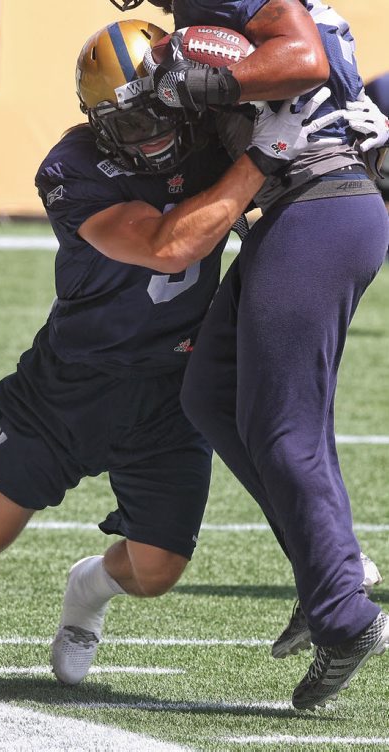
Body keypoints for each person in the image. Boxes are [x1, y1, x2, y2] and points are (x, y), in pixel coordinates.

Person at [0, 18, 350, 688]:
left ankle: (87, 592)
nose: (147, 132)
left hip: (171, 393)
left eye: (154, 112)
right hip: (70, 384)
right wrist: (261, 158)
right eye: (125, 121)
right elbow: (167, 247)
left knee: (156, 572)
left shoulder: (214, 133)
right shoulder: (72, 167)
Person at [122, 0, 389, 710]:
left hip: (321, 201)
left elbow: (302, 59)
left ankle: (344, 614)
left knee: (284, 432)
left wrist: (197, 85)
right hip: (305, 205)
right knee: (210, 394)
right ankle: (327, 570)